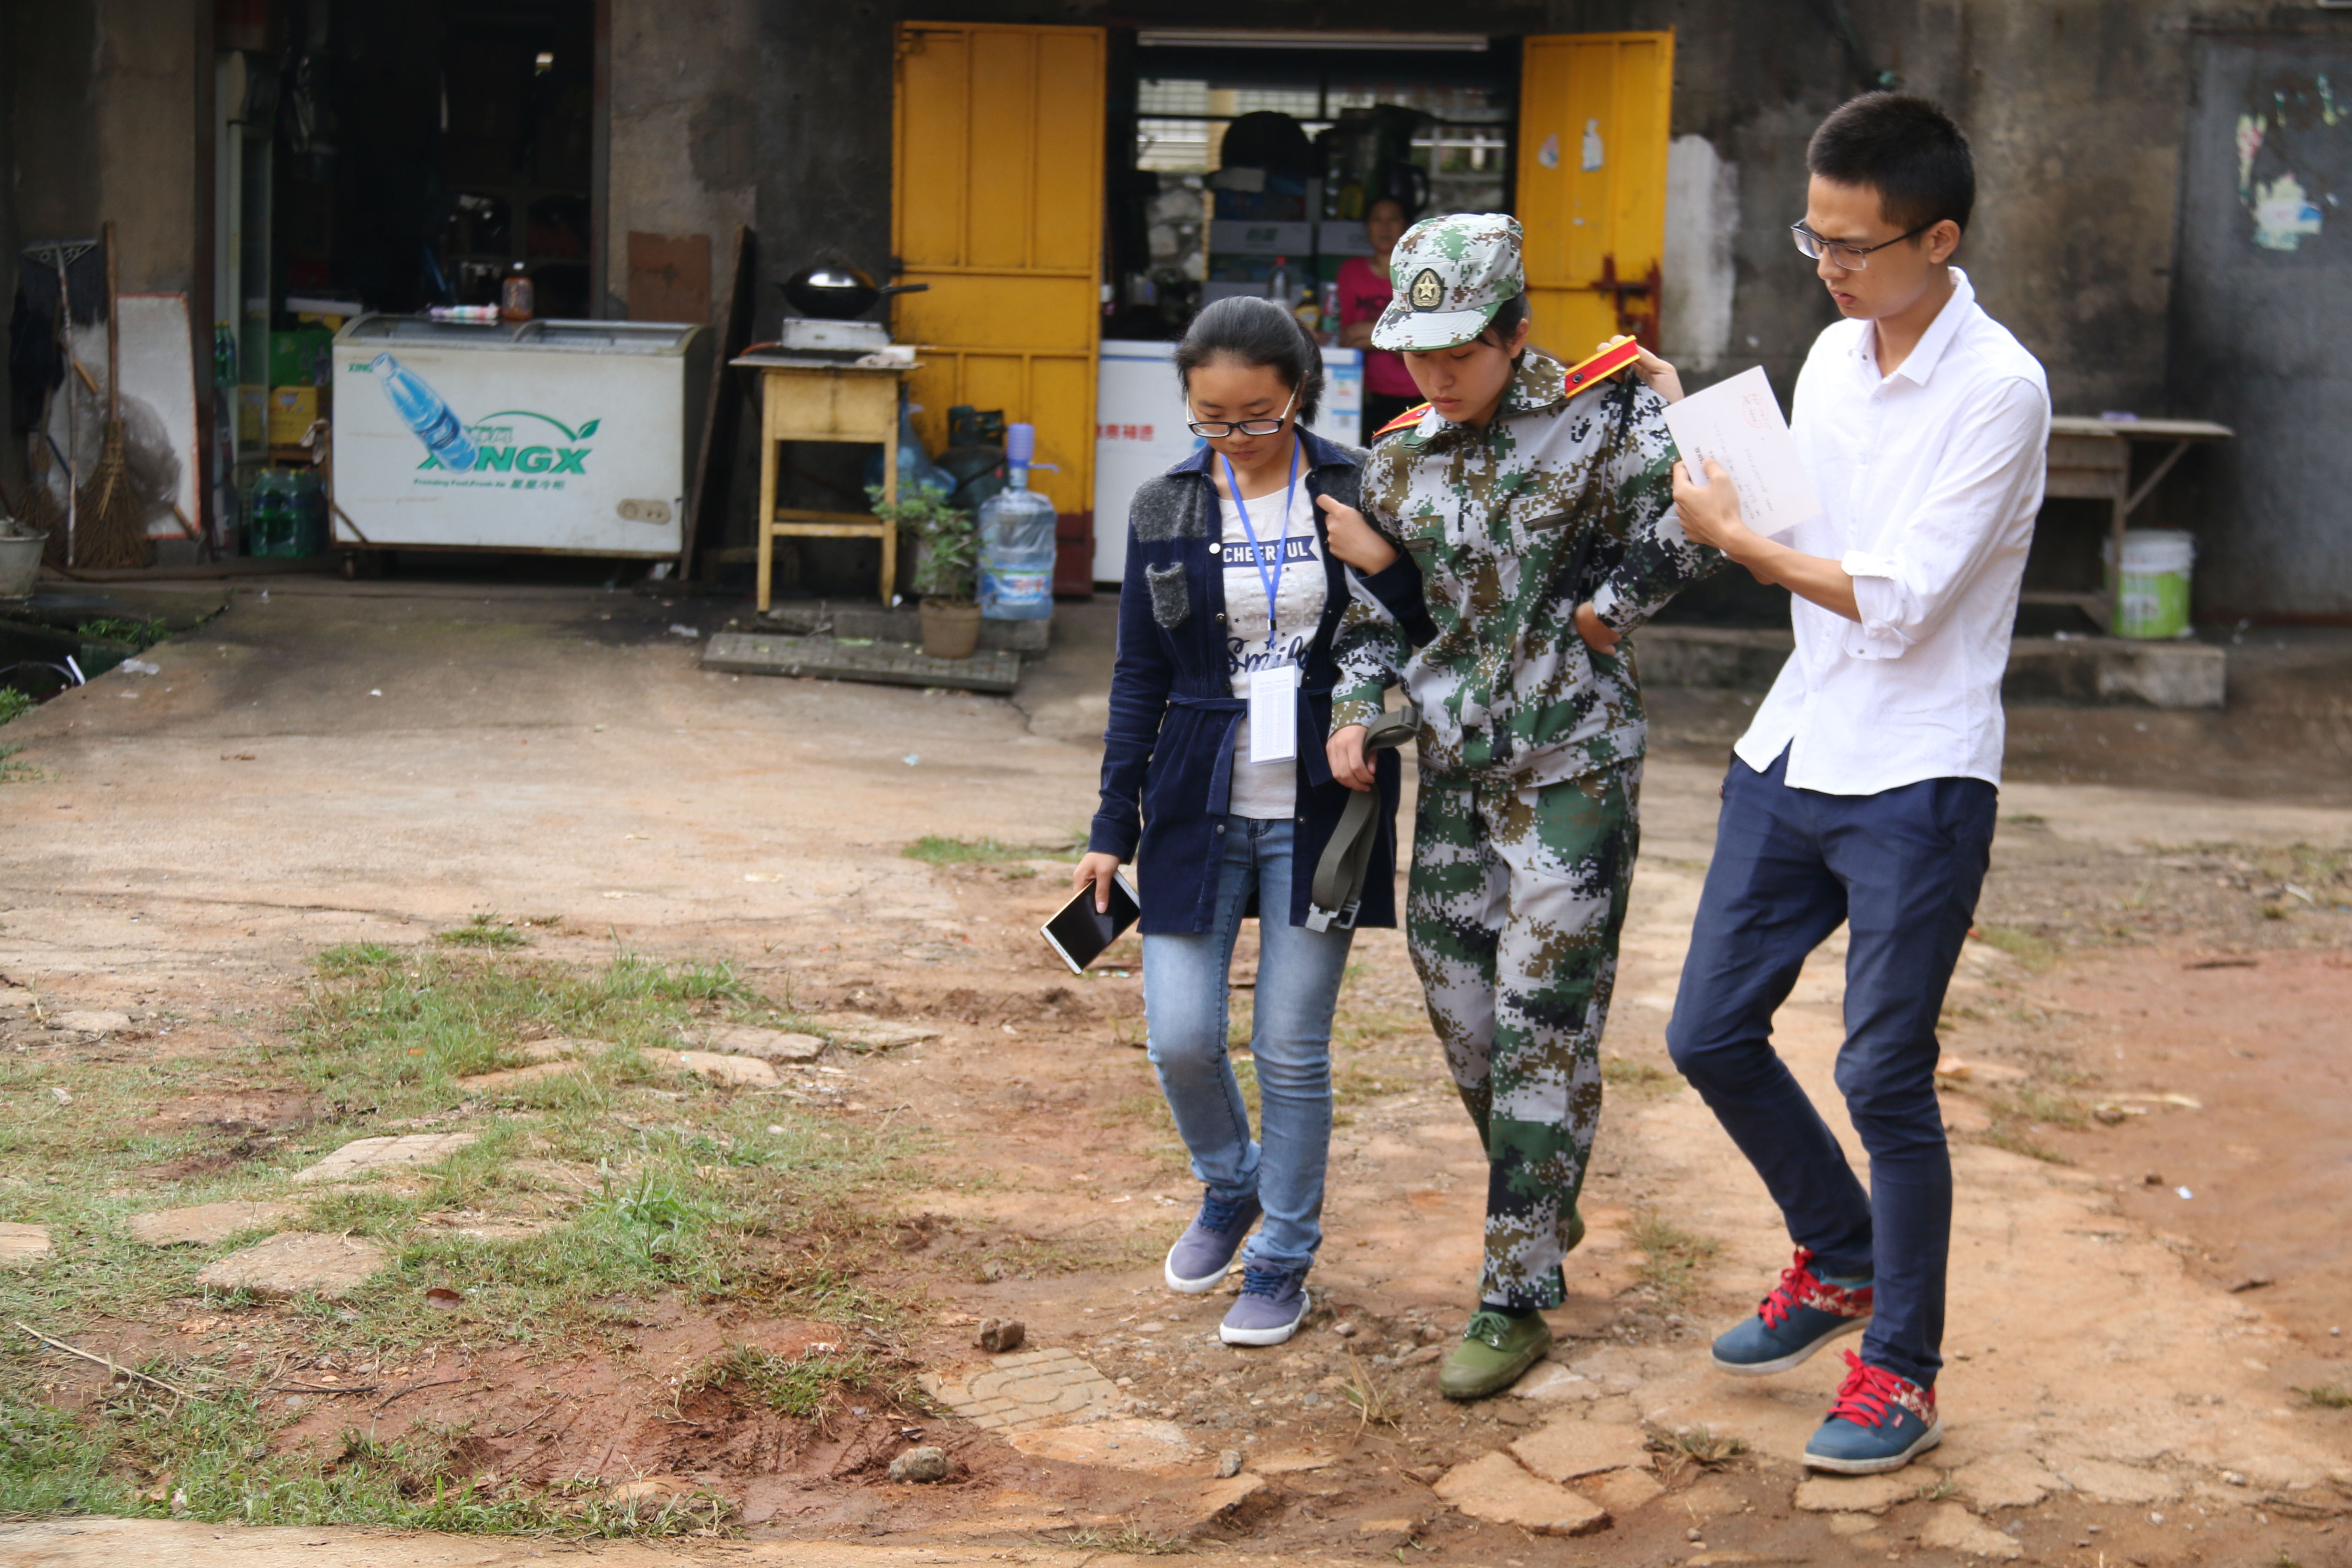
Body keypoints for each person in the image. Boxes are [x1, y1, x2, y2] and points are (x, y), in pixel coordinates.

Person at [1661, 93, 2050, 1475]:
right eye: (1813, 238)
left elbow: (1903, 596)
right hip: (1798, 742)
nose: (1827, 266)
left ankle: (1903, 1370)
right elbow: (1794, 520)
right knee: (1707, 1032)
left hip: (1920, 771)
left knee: (1883, 1071)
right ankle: (1838, 1256)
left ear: (1938, 239)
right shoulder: (1833, 353)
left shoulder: (2000, 389)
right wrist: (1695, 432)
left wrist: (1740, 543)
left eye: (1854, 245)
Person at [1320, 214, 1720, 1399]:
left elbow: (1708, 516)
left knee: (1542, 1016)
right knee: (1461, 1014)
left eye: (1459, 353)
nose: (1435, 376)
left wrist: (1610, 608)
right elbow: (1376, 614)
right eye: (1417, 354)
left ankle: (1513, 1293)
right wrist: (1359, 705)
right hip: (1457, 773)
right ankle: (1539, 1184)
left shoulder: (1605, 415)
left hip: (1572, 767)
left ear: (1515, 332)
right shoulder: (1396, 459)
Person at [1072, 295, 1429, 1348]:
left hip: (1323, 804)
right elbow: (1138, 674)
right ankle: (1230, 1183)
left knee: (1290, 1049)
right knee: (1181, 1038)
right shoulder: (1164, 505)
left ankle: (1281, 1255)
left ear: (1301, 395)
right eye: (1212, 419)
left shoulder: (1361, 488)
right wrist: (1110, 825)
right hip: (1195, 799)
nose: (1235, 437)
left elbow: (1429, 630)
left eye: (1259, 418)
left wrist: (1385, 563)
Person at [1334, 196, 1420, 440]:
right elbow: (1347, 338)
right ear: (1367, 227)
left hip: (1419, 393)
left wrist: (1368, 333)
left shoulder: (1420, 273)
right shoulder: (1350, 272)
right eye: (1377, 220)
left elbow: (1414, 344)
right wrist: (1396, 337)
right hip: (1366, 396)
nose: (1385, 227)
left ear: (1406, 227)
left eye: (1393, 219)